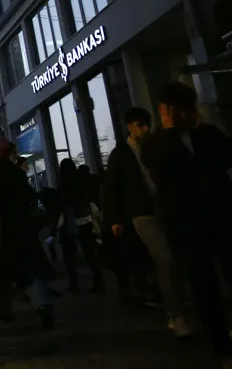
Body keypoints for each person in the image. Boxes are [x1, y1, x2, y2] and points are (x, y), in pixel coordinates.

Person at [142, 82, 232, 366]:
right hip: (185, 224)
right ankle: (221, 344)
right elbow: (160, 171)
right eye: (175, 110)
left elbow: (227, 157)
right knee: (203, 284)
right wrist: (169, 132)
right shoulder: (156, 143)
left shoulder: (207, 134)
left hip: (221, 216)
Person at [102, 107, 192, 334]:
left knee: (173, 258)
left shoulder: (155, 146)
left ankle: (177, 304)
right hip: (141, 213)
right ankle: (176, 313)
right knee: (165, 257)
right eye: (139, 125)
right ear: (129, 126)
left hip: (164, 208)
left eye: (145, 124)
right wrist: (114, 218)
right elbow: (111, 187)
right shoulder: (122, 153)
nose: (144, 129)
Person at [0, 138, 55, 328]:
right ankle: (43, 306)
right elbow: (27, 195)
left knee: (4, 271)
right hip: (22, 226)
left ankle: (5, 307)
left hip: (2, 228)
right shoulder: (16, 172)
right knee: (32, 268)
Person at [58, 158, 105, 293]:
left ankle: (74, 284)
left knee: (69, 256)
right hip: (85, 218)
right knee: (90, 252)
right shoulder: (81, 180)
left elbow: (63, 203)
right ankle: (99, 282)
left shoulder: (64, 183)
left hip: (71, 221)